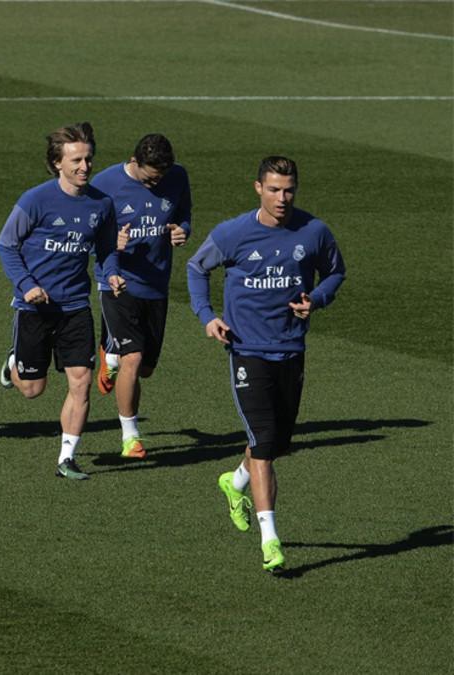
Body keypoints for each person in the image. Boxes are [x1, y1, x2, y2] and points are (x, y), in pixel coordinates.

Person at [186, 156, 345, 572]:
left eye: (289, 189)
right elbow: (196, 267)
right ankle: (270, 540)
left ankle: (233, 481)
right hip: (247, 350)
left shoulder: (314, 231)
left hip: (291, 350)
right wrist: (207, 317)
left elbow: (334, 273)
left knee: (274, 442)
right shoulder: (233, 233)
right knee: (265, 446)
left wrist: (317, 299)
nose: (282, 197)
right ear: (257, 187)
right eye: (273, 189)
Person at [0, 122, 121, 481]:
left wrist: (111, 273)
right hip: (34, 307)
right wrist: (26, 284)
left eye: (89, 159)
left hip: (75, 307)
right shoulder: (35, 200)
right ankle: (13, 363)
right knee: (32, 390)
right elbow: (6, 245)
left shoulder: (102, 204)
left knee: (81, 380)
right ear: (57, 163)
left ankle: (67, 457)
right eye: (77, 160)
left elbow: (107, 249)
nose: (85, 167)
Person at [90, 134, 193, 459]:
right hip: (117, 280)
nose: (156, 183)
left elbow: (184, 213)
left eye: (161, 177)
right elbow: (85, 233)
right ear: (134, 162)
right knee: (132, 359)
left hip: (156, 285)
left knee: (146, 368)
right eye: (150, 177)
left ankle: (109, 348)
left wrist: (182, 231)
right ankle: (130, 436)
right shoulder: (105, 183)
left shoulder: (178, 176)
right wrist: (110, 244)